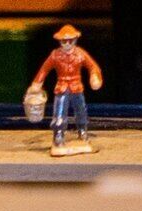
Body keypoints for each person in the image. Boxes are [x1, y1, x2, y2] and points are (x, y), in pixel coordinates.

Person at [34, 24, 103, 157]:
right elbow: (44, 69)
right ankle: (58, 135)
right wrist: (37, 83)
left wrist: (95, 77)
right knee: (59, 113)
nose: (67, 43)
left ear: (75, 40)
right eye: (64, 41)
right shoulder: (55, 55)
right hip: (62, 87)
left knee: (81, 111)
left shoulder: (80, 54)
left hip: (77, 86)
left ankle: (82, 132)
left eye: (70, 40)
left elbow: (93, 66)